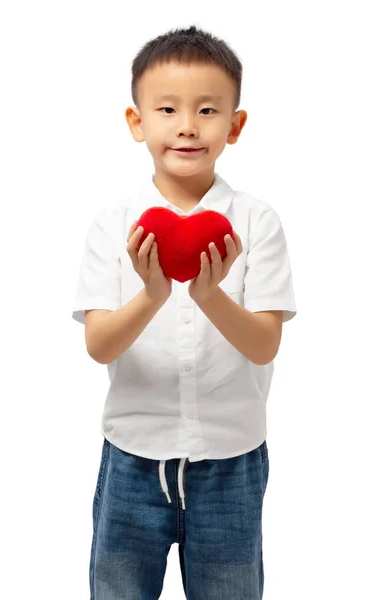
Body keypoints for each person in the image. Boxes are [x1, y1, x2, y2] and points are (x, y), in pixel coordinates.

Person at [72, 24, 297, 600]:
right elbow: (99, 345)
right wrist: (151, 295)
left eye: (207, 109)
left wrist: (207, 294)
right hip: (132, 460)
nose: (188, 126)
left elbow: (264, 345)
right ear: (137, 122)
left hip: (231, 462)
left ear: (235, 125)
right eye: (167, 108)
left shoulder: (256, 221)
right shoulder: (112, 221)